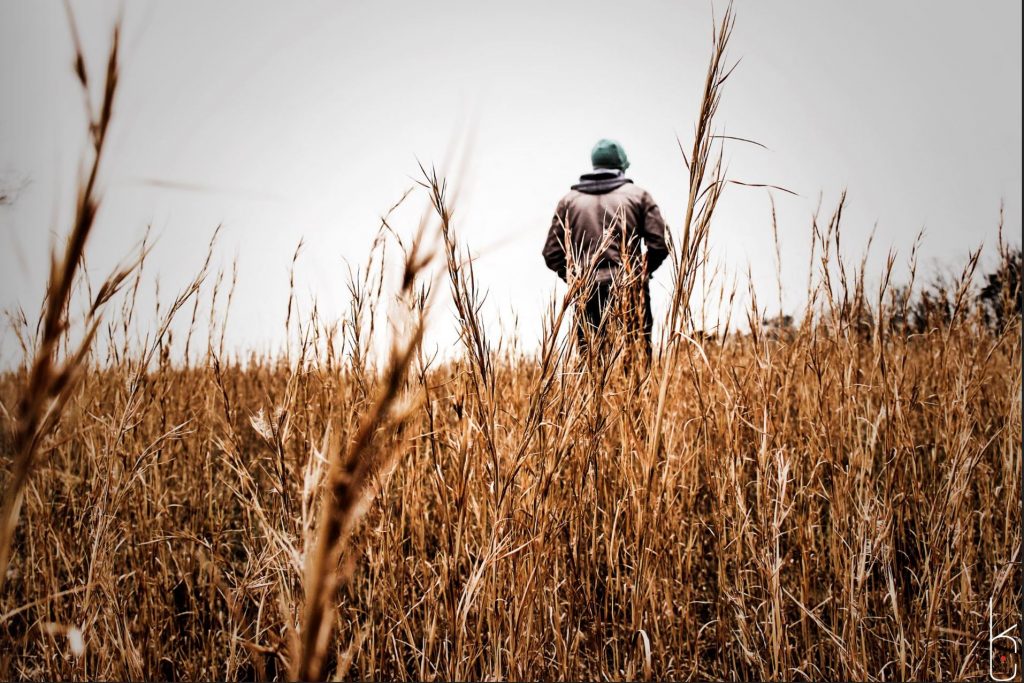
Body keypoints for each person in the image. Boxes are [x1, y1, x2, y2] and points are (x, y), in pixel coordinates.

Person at [542, 138, 669, 358]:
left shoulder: (569, 201)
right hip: (630, 290)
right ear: (621, 166)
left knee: (592, 366)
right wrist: (639, 273)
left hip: (586, 291)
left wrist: (576, 278)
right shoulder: (639, 197)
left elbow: (551, 253)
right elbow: (659, 245)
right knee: (636, 363)